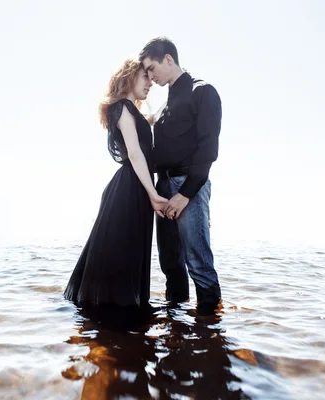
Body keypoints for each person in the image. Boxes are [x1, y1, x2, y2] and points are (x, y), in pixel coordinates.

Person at [63, 59, 167, 310]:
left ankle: (121, 313)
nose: (150, 83)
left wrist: (174, 92)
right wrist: (152, 193)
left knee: (130, 250)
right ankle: (113, 314)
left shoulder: (132, 111)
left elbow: (148, 122)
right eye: (145, 77)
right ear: (130, 77)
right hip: (130, 188)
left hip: (137, 187)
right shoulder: (121, 107)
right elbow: (134, 152)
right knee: (121, 249)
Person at [139, 37, 223, 314]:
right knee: (170, 264)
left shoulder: (203, 92)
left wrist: (184, 194)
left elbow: (208, 150)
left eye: (152, 68)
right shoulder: (163, 107)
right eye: (146, 73)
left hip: (189, 186)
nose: (150, 77)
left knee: (197, 261)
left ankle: (210, 332)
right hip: (162, 188)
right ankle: (175, 332)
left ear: (168, 59)